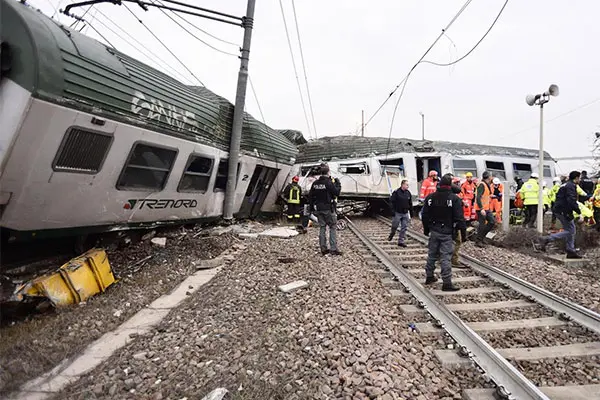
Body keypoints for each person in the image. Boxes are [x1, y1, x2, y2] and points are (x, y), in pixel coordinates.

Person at [421, 174, 466, 291]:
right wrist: (463, 234)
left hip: (434, 230)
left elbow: (424, 215)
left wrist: (426, 229)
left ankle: (429, 276)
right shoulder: (454, 199)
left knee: (432, 254)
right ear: (450, 185)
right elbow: (460, 218)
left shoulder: (430, 198)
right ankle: (446, 283)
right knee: (445, 257)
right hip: (447, 231)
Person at [538, 171, 583, 259]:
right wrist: (579, 212)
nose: (580, 179)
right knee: (570, 231)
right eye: (579, 178)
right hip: (564, 210)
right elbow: (571, 200)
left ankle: (571, 251)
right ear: (576, 178)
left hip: (559, 209)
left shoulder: (565, 185)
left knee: (571, 229)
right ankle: (547, 239)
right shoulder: (571, 186)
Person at [309, 164, 342, 256]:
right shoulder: (328, 182)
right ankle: (333, 249)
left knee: (322, 227)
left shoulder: (315, 183)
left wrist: (312, 208)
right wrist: (338, 183)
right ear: (328, 172)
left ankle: (323, 248)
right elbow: (336, 192)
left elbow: (310, 196)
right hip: (328, 208)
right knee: (332, 226)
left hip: (318, 209)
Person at [388, 179, 413, 247]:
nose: (408, 186)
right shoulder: (396, 192)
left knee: (404, 227)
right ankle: (392, 234)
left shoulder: (408, 193)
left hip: (405, 213)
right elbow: (391, 202)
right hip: (397, 213)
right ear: (403, 185)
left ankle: (401, 241)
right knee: (395, 226)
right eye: (407, 185)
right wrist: (392, 211)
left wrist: (411, 212)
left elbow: (410, 203)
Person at [474, 171, 495, 247]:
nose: (492, 178)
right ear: (489, 177)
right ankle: (478, 241)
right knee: (482, 224)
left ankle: (481, 238)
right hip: (481, 209)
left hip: (486, 208)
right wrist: (481, 208)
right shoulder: (482, 185)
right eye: (491, 176)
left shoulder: (486, 185)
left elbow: (485, 196)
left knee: (492, 222)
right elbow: (478, 197)